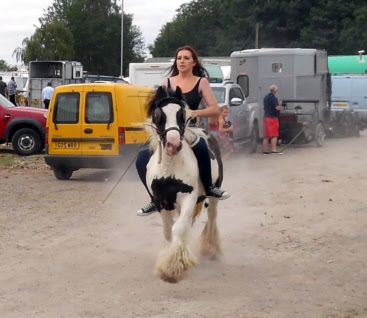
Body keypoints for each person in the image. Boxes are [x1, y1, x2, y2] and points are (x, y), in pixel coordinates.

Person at [136, 45, 230, 216]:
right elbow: (158, 107)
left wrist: (194, 112)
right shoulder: (168, 83)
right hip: (168, 130)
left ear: (194, 62)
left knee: (202, 148)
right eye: (179, 58)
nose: (182, 61)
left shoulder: (201, 82)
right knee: (141, 158)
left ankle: (209, 187)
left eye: (186, 58)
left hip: (190, 129)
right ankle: (153, 198)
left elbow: (215, 109)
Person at [262, 85, 283, 154]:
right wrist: (280, 104)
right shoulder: (274, 98)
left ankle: (265, 150)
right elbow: (277, 108)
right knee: (274, 135)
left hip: (265, 118)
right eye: (276, 91)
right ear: (274, 91)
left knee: (266, 136)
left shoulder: (265, 98)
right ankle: (274, 149)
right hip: (272, 118)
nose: (277, 92)